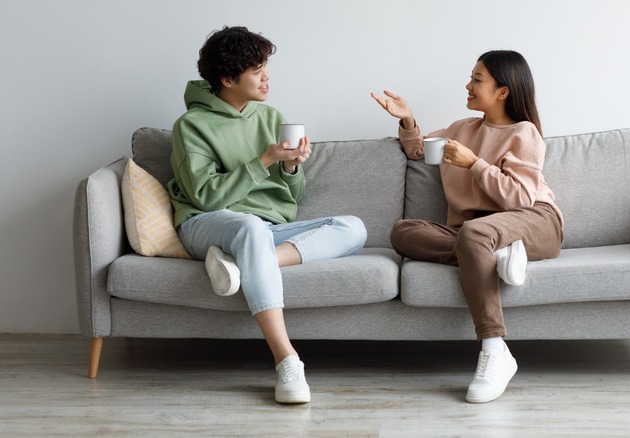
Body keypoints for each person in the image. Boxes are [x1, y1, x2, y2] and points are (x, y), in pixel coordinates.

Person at [167, 26, 367, 404]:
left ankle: (246, 264)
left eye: (265, 66)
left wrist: (291, 169)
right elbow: (205, 196)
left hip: (265, 229)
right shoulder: (190, 126)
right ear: (228, 78)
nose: (267, 76)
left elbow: (293, 198)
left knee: (353, 228)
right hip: (207, 224)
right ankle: (286, 359)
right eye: (257, 69)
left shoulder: (270, 115)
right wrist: (264, 160)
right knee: (247, 227)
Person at [371, 50, 563, 403]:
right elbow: (419, 152)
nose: (468, 85)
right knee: (403, 231)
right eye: (471, 77)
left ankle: (494, 350)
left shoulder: (525, 133)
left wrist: (474, 163)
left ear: (502, 91)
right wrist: (408, 119)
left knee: (476, 234)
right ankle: (493, 254)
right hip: (482, 231)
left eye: (477, 79)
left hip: (534, 220)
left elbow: (519, 197)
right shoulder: (462, 128)